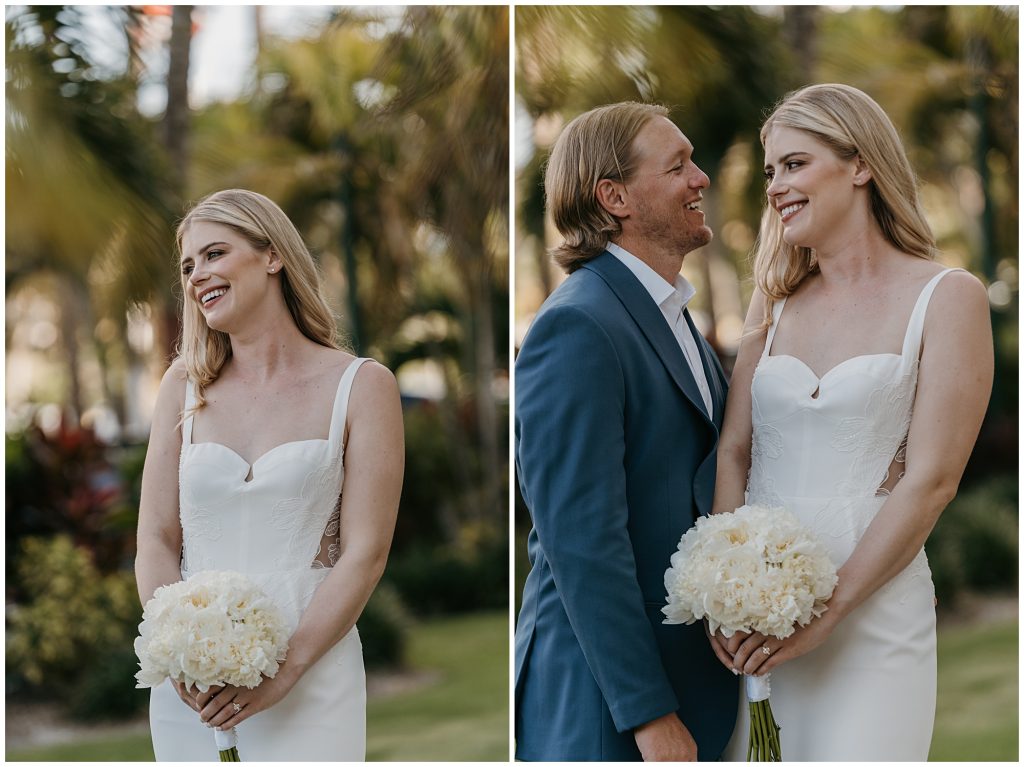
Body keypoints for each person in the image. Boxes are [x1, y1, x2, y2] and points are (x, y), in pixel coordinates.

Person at [709, 84, 993, 760]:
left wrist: (827, 615)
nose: (776, 185)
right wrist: (723, 590)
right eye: (772, 170)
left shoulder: (947, 296)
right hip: (760, 626)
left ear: (860, 164)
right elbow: (734, 451)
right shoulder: (771, 302)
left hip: (872, 620)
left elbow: (930, 481)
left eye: (796, 164)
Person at [135, 189, 404, 760]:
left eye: (214, 254)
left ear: (272, 255)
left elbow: (365, 553)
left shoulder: (362, 386)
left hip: (311, 669)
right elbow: (156, 538)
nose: (196, 276)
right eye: (187, 265)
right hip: (195, 693)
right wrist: (176, 654)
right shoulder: (182, 388)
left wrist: (286, 671)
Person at [514, 102, 738, 761]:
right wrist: (649, 715)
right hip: (605, 708)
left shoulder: (671, 314)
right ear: (615, 197)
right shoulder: (577, 325)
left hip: (695, 685)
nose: (700, 179)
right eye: (677, 166)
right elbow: (583, 541)